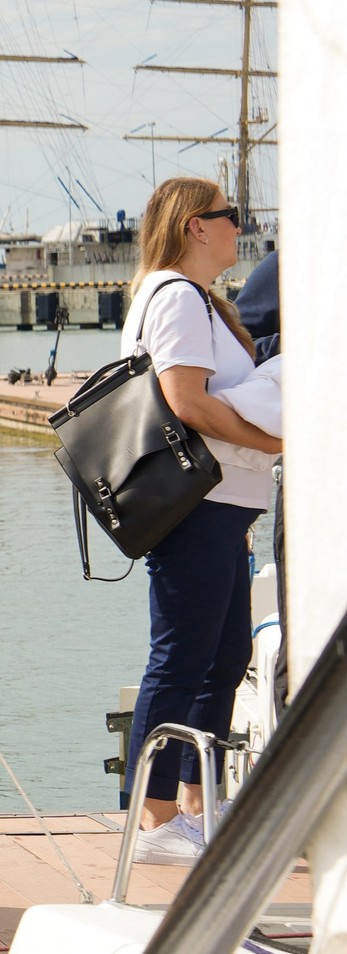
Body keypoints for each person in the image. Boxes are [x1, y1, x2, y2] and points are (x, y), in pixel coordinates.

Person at [122, 177, 280, 866]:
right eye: (230, 216)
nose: (238, 228)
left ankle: (195, 804)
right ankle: (153, 821)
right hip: (199, 505)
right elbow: (184, 400)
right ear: (195, 225)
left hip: (219, 505)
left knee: (222, 657)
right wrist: (272, 440)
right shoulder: (179, 299)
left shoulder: (194, 300)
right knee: (183, 657)